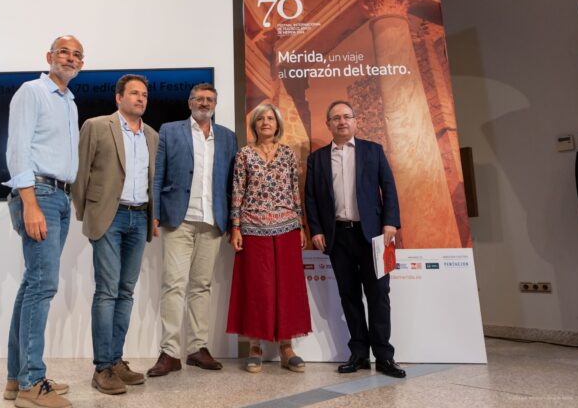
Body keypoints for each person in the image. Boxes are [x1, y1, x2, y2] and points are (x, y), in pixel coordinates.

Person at [3, 35, 84, 408]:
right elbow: (18, 148)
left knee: (32, 285)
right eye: (64, 52)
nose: (70, 58)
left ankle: (17, 378)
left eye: (77, 55)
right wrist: (30, 203)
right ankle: (32, 384)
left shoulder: (69, 102)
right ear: (49, 56)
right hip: (40, 195)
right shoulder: (31, 91)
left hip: (60, 196)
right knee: (43, 286)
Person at [304, 100, 405, 378]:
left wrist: (390, 223)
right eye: (335, 118)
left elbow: (388, 187)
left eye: (347, 116)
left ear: (355, 121)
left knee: (379, 296)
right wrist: (316, 230)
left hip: (374, 237)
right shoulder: (317, 159)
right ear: (328, 124)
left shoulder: (373, 151)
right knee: (349, 296)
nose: (342, 121)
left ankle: (384, 356)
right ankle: (359, 353)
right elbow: (310, 198)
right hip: (338, 237)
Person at [72, 74, 159, 395]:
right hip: (109, 217)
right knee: (107, 291)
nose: (141, 98)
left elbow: (153, 180)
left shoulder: (152, 135)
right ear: (118, 98)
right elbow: (80, 172)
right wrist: (87, 213)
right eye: (134, 93)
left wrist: (153, 216)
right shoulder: (96, 126)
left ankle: (116, 360)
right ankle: (102, 368)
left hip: (139, 218)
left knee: (126, 292)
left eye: (145, 94)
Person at [146, 83, 238, 377]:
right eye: (199, 98)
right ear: (189, 103)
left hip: (212, 221)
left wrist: (233, 222)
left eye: (210, 99)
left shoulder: (227, 137)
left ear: (215, 104)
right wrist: (155, 214)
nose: (204, 102)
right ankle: (170, 352)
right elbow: (158, 174)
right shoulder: (171, 131)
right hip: (178, 219)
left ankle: (198, 348)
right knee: (174, 284)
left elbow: (231, 185)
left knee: (202, 286)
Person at [226, 103, 311, 373]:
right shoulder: (244, 155)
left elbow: (294, 191)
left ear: (277, 124)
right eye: (260, 118)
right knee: (256, 288)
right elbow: (237, 191)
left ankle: (286, 347)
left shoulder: (287, 153)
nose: (265, 122)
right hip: (252, 227)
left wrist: (300, 223)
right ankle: (255, 346)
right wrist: (236, 227)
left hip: (287, 226)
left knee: (287, 287)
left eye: (270, 118)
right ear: (254, 125)